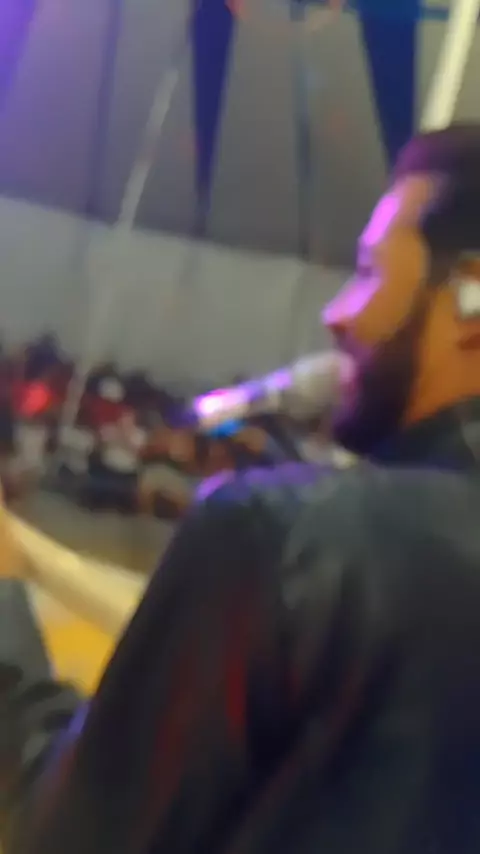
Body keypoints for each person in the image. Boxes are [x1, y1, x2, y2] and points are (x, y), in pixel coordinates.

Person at [4, 123, 480, 853]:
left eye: (367, 271)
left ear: (472, 297)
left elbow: (69, 836)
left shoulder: (279, 536)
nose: (336, 313)